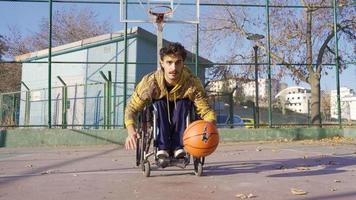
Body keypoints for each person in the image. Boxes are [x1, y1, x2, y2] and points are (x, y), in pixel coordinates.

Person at [124, 42, 216, 160]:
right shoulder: (150, 83)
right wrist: (131, 131)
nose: (173, 68)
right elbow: (131, 108)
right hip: (159, 112)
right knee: (159, 103)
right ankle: (163, 147)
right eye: (169, 62)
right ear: (162, 63)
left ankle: (179, 147)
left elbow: (206, 111)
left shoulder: (192, 83)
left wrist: (211, 128)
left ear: (183, 63)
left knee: (184, 103)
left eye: (178, 63)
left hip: (181, 111)